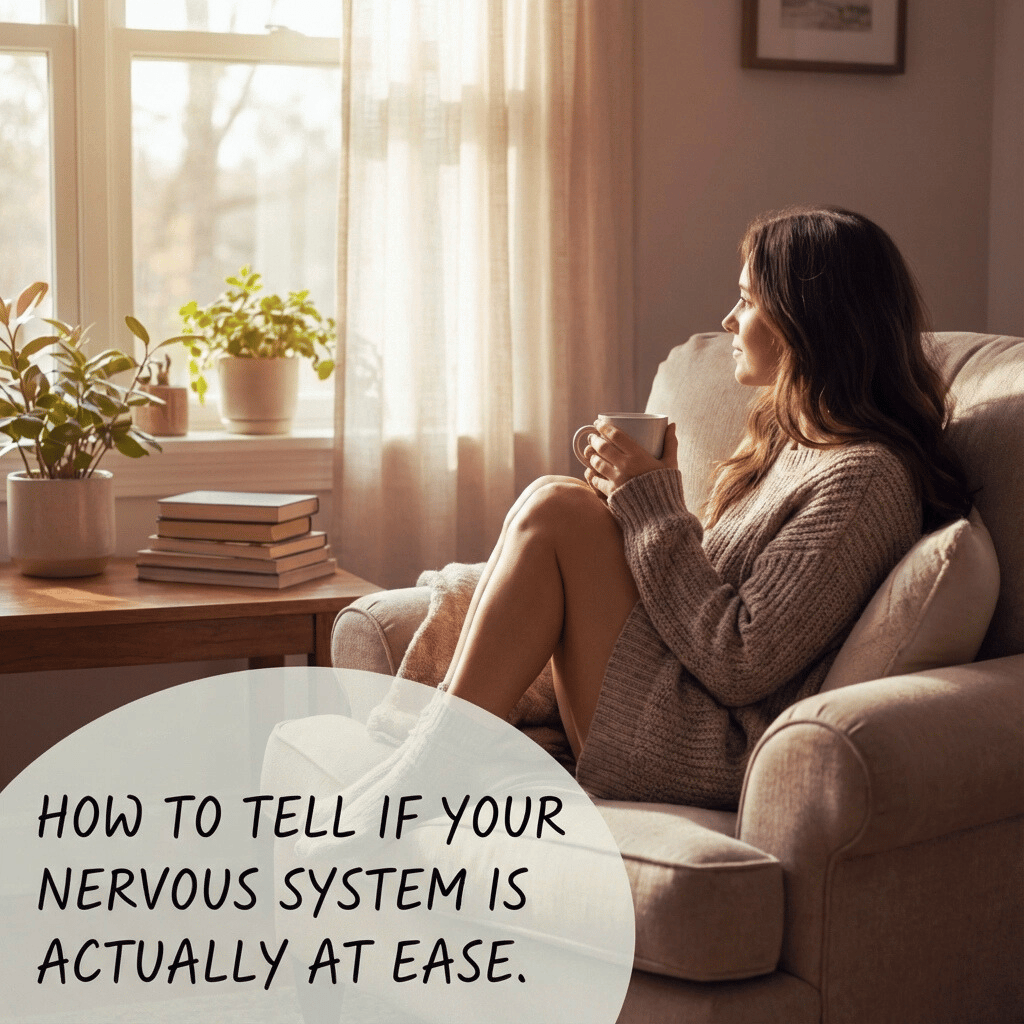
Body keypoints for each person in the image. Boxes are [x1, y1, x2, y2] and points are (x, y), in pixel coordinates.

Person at [319, 206, 972, 830]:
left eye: (747, 300)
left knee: (558, 506)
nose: (727, 318)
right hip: (673, 696)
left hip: (702, 746)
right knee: (566, 503)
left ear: (805, 319)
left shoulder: (864, 479)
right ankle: (439, 755)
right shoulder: (790, 447)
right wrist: (636, 504)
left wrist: (653, 501)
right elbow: (704, 595)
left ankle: (429, 767)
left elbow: (739, 659)